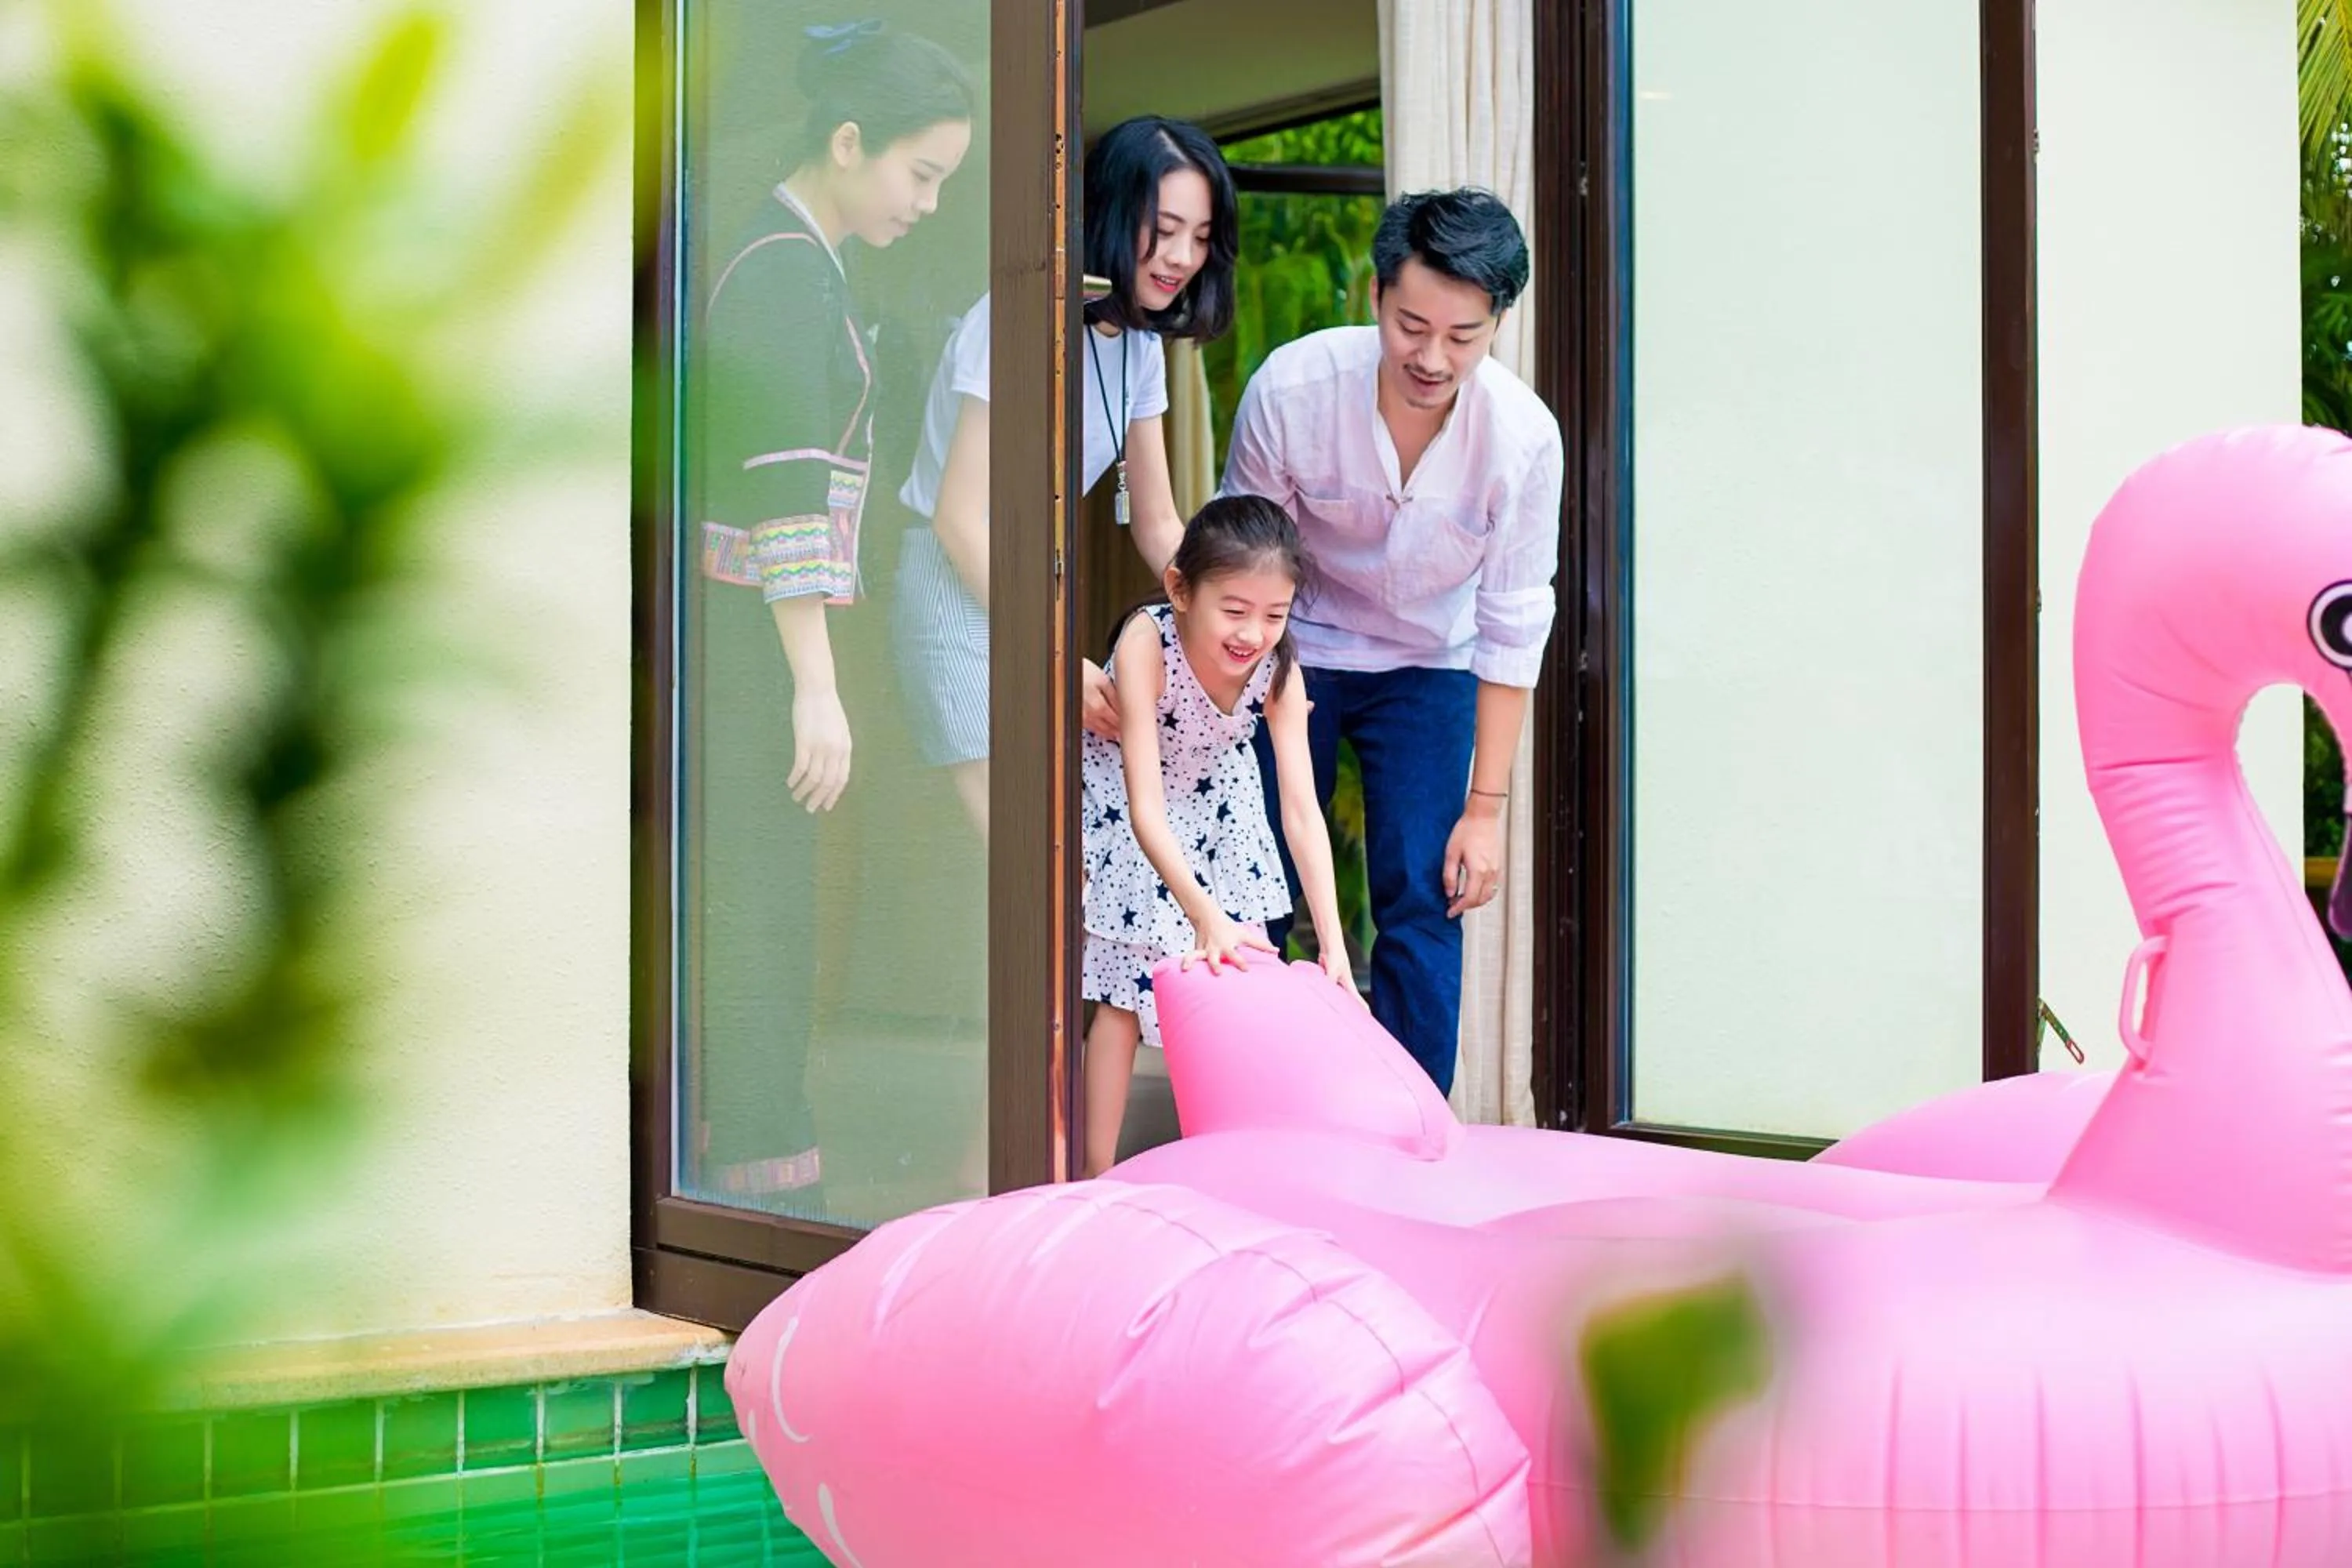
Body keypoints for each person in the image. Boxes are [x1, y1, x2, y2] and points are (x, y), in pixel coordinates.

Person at [686, 21, 974, 1213]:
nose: (929, 203)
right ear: (849, 143)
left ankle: (757, 1142)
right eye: (922, 175)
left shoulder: (798, 260)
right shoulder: (785, 270)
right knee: (760, 892)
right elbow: (782, 490)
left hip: (764, 632)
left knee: (766, 885)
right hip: (758, 641)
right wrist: (815, 681)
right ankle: (759, 1167)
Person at [1221, 188, 1564, 1098]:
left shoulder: (1524, 441)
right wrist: (1259, 695)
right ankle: (1263, 1104)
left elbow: (1513, 624)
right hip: (1293, 648)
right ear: (1374, 294)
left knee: (1423, 889)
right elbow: (1243, 570)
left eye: (1464, 337)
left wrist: (1485, 811)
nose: (1432, 356)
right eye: (1413, 325)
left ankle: (1413, 1125)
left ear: (1496, 324)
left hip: (1432, 662)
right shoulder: (1291, 394)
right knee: (1258, 882)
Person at [896, 116, 1240, 837]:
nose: (1182, 256)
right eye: (1165, 227)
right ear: (1114, 212)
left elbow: (1156, 523)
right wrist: (1057, 654)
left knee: (1071, 853)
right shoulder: (1018, 317)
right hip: (955, 586)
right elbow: (957, 520)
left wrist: (1228, 623)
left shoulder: (1139, 347)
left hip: (1029, 597)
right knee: (1024, 853)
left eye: (1201, 237)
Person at [1078, 495, 1357, 1177]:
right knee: (1125, 990)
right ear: (1180, 589)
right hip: (1130, 790)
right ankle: (1090, 1171)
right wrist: (1204, 914)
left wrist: (1336, 944)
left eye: (1274, 614)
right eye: (1234, 611)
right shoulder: (1147, 640)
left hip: (1217, 794)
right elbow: (1145, 805)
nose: (1252, 634)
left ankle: (1231, 1159)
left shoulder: (1280, 668)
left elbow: (1301, 810)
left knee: (1236, 971)